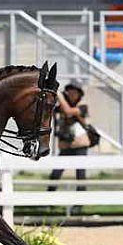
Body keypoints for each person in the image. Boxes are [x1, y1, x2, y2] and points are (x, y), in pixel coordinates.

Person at [47, 84, 90, 213]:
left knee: (80, 175)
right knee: (56, 173)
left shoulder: (82, 107)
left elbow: (69, 112)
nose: (72, 95)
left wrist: (60, 97)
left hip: (80, 145)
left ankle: (79, 203)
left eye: (75, 92)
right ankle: (48, 199)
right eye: (69, 92)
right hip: (66, 145)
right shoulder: (60, 108)